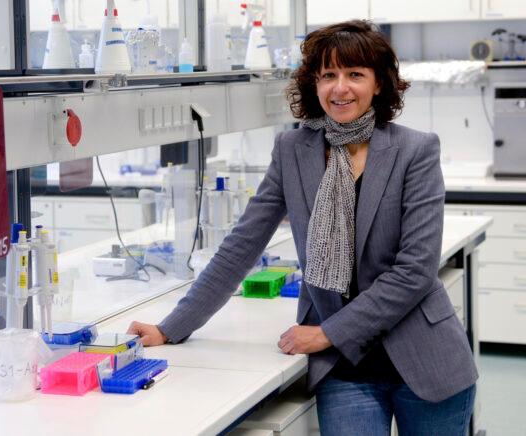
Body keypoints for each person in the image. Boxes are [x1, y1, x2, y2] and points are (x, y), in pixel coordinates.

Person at [128, 20, 476, 436]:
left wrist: (328, 333)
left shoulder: (414, 151)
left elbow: (414, 272)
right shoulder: (294, 150)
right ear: (314, 83)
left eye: (355, 75)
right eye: (328, 75)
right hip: (347, 369)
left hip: (424, 358)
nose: (339, 88)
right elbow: (242, 245)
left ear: (379, 84)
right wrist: (171, 327)